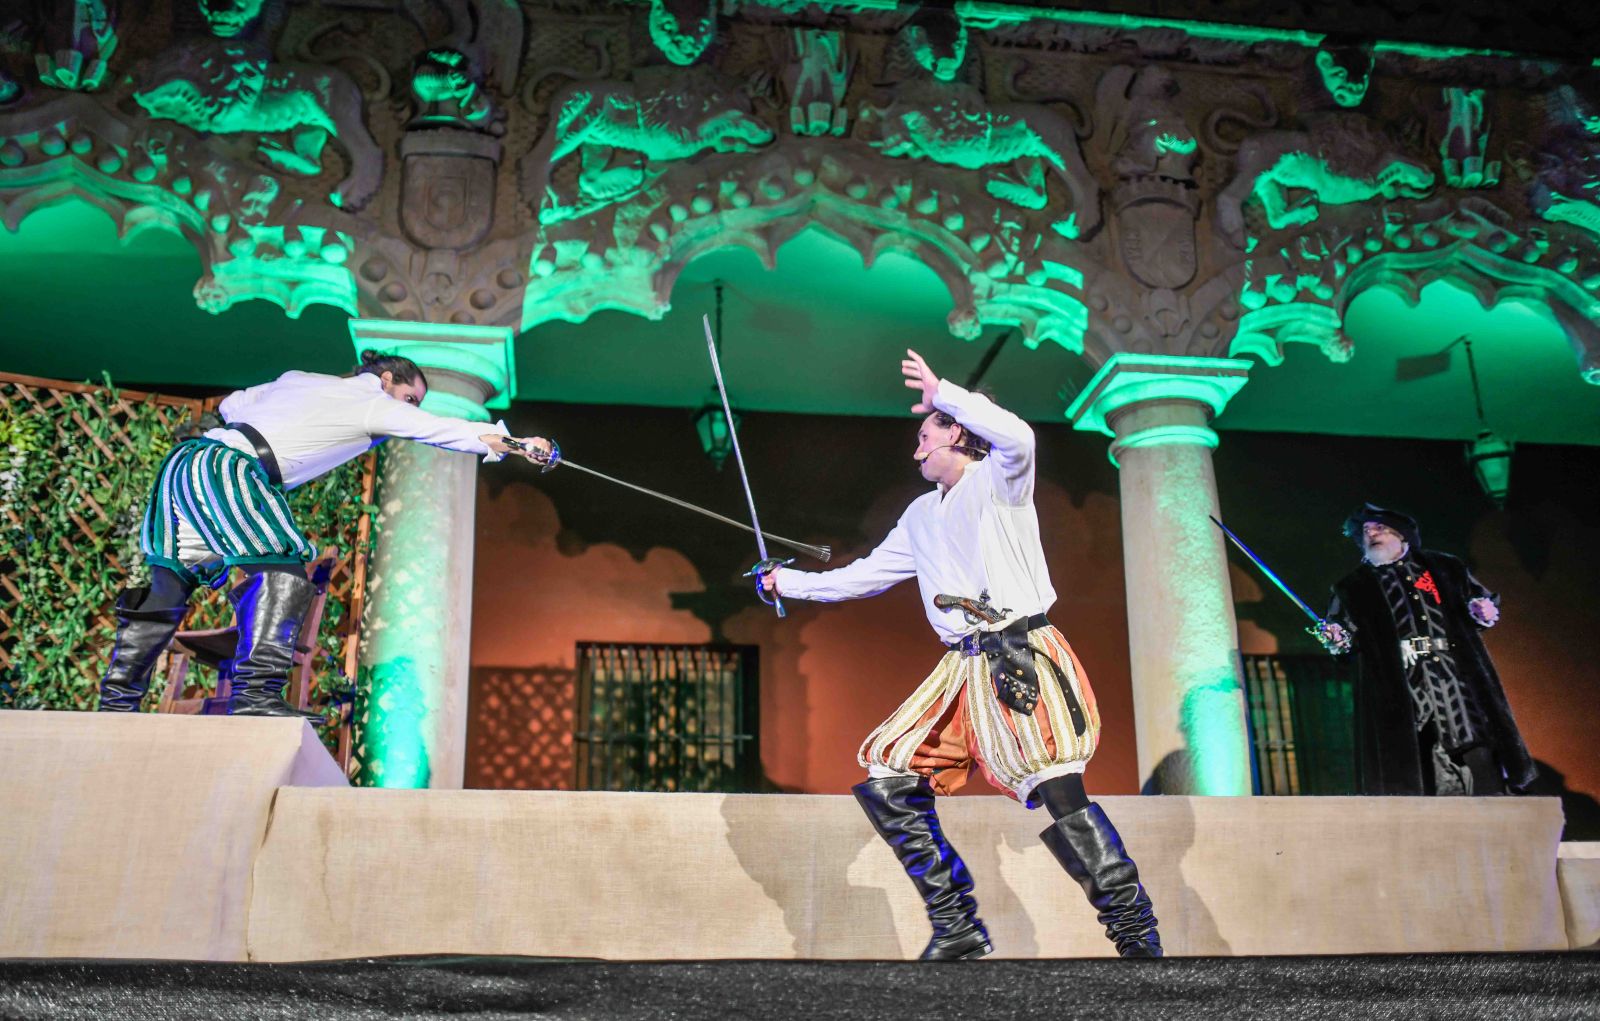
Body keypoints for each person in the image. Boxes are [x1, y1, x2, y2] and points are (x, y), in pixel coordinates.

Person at [758, 349, 1161, 960]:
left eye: (927, 435)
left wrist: (943, 392)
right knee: (891, 771)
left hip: (1019, 651)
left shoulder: (1001, 481)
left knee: (1057, 786)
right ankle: (956, 926)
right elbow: (862, 576)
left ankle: (1135, 935)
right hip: (961, 666)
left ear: (958, 433)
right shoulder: (920, 515)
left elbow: (1019, 436)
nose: (917, 450)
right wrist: (786, 583)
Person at [97, 352, 552, 717]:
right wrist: (520, 445)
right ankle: (255, 697)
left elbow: (233, 403)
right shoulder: (375, 403)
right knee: (284, 574)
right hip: (231, 469)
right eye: (410, 397)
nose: (409, 409)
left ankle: (117, 703)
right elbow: (443, 431)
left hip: (187, 464)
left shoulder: (298, 378)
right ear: (387, 379)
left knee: (169, 584)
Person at [1319, 504, 1534, 795]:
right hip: (1400, 678)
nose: (1371, 534)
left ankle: (1493, 798)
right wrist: (1337, 636)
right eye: (1366, 531)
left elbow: (1478, 601)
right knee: (1413, 746)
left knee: (1473, 733)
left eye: (1379, 528)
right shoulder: (1352, 586)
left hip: (1453, 668)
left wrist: (1481, 609)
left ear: (1401, 535)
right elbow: (1343, 633)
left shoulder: (1444, 567)